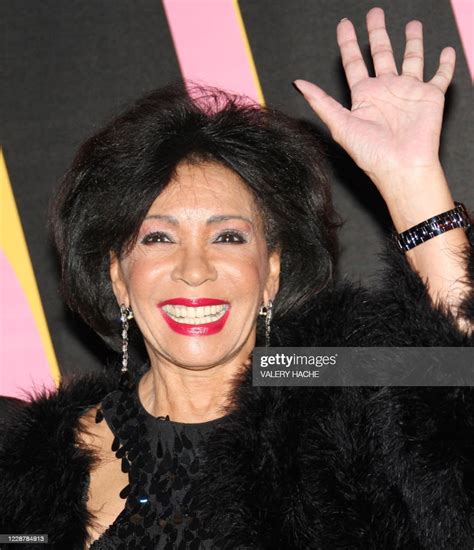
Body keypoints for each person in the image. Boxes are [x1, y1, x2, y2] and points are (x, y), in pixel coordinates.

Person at [1, 7, 473, 549]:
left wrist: (413, 184)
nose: (195, 269)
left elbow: (454, 380)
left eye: (229, 237)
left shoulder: (330, 388)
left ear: (271, 270)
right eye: (158, 238)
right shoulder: (32, 461)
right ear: (117, 275)